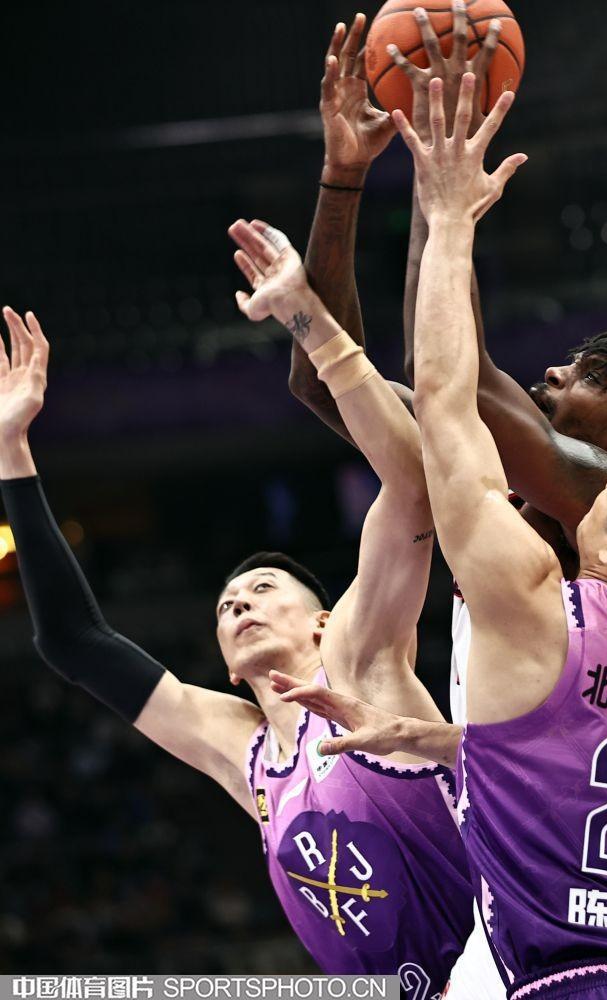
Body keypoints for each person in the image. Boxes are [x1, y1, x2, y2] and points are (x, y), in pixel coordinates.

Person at [271, 72, 607, 998]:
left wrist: (437, 188)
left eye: (586, 373)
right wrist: (349, 177)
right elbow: (331, 381)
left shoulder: (600, 493)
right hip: (603, 900)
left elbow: (446, 381)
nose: (553, 372)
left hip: (586, 922)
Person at [0, 95, 473, 990]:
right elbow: (73, 641)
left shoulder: (361, 656)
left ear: (323, 618)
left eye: (261, 590)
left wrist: (306, 318)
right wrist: (12, 451)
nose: (240, 604)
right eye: (226, 606)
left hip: (498, 972)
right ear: (223, 662)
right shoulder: (237, 748)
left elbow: (410, 482)